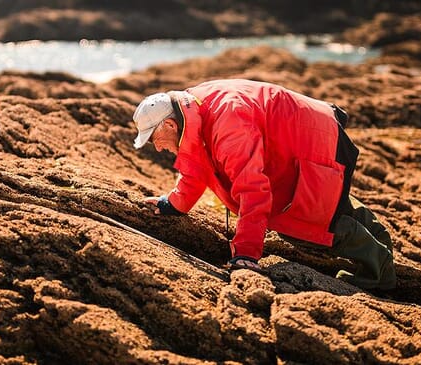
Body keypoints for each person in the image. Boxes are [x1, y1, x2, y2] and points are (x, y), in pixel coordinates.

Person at [132, 79, 396, 290]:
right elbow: (197, 162)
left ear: (169, 123)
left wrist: (246, 254)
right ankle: (379, 239)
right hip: (300, 136)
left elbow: (252, 191)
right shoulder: (193, 108)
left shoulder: (228, 125)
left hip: (316, 141)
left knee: (304, 220)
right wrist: (173, 204)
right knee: (320, 202)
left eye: (154, 138)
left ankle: (378, 272)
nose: (157, 147)